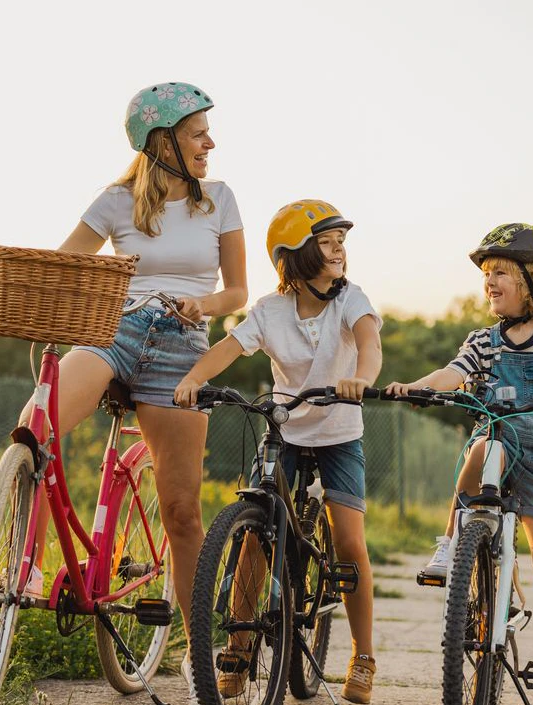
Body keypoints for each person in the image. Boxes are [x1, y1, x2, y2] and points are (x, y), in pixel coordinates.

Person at [25, 81, 247, 699]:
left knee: (181, 511)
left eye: (208, 132)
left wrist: (201, 303)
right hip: (113, 331)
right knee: (34, 427)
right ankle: (23, 562)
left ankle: (196, 651)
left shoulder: (219, 200)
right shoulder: (117, 200)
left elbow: (237, 294)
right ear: (164, 140)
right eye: (199, 132)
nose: (211, 142)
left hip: (180, 348)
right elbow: (65, 264)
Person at [174, 199, 382, 703]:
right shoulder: (270, 310)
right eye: (328, 243)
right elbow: (229, 346)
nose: (339, 251)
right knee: (254, 540)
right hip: (285, 428)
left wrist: (361, 379)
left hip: (338, 431)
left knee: (350, 541)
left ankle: (363, 654)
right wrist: (193, 379)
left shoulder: (350, 299)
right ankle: (239, 648)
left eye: (342, 243)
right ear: (297, 255)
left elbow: (369, 341)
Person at [386, 224, 533, 705]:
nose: (490, 283)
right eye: (486, 275)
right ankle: (452, 544)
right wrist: (417, 386)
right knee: (483, 446)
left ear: (532, 280)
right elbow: (453, 373)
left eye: (500, 272)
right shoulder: (483, 341)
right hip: (496, 445)